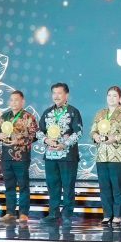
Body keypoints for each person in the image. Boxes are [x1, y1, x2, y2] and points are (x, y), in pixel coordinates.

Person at [37, 82, 83, 225]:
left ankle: (67, 214)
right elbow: (39, 132)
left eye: (59, 93)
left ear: (66, 95)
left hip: (68, 156)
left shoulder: (73, 112)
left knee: (68, 186)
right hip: (50, 156)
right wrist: (46, 140)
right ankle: (53, 213)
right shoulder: (47, 112)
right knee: (52, 186)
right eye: (54, 93)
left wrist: (64, 144)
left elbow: (78, 133)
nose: (56, 96)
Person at [91, 85, 121, 227]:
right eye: (109, 95)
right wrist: (95, 136)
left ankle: (117, 215)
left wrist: (115, 138)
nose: (111, 98)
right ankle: (107, 214)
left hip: (119, 156)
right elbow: (93, 131)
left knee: (118, 187)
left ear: (119, 98)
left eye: (115, 95)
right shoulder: (100, 113)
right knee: (104, 187)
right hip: (102, 156)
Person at [0, 90, 38, 224]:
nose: (13, 102)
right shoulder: (4, 116)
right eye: (11, 100)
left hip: (21, 157)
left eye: (16, 100)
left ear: (22, 102)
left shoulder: (28, 117)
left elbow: (34, 136)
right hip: (6, 156)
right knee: (9, 186)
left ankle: (24, 213)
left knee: (23, 186)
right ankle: (10, 212)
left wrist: (18, 140)